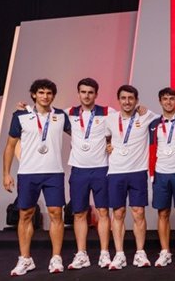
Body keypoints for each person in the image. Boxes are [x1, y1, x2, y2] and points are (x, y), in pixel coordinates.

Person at [4, 79, 71, 276]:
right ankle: (25, 259)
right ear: (34, 95)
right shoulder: (20, 116)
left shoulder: (61, 116)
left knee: (56, 214)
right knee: (25, 215)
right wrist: (6, 174)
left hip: (54, 173)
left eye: (49, 93)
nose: (45, 96)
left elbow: (83, 133)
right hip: (28, 173)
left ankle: (56, 258)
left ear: (53, 96)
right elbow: (9, 146)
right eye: (41, 92)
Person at [104, 85, 157, 270]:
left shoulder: (146, 117)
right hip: (116, 172)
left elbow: (169, 116)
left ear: (136, 100)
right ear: (118, 100)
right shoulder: (110, 119)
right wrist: (108, 145)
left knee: (138, 213)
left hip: (138, 172)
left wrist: (147, 110)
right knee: (117, 213)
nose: (127, 102)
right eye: (123, 98)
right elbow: (102, 138)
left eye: (131, 98)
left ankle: (140, 253)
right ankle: (119, 254)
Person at [63, 78, 112, 270]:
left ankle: (104, 253)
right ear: (78, 93)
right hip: (78, 170)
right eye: (83, 92)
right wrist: (26, 108)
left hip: (101, 169)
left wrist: (111, 143)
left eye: (90, 92)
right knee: (79, 213)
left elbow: (124, 126)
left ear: (96, 94)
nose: (86, 95)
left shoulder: (108, 113)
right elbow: (44, 115)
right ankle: (81, 253)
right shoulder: (68, 113)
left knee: (103, 212)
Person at [148, 87, 175, 267]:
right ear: (160, 101)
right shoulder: (153, 124)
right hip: (161, 173)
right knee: (162, 213)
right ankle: (165, 252)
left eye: (172, 98)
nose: (168, 102)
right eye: (165, 99)